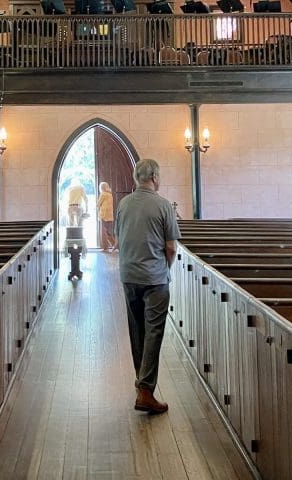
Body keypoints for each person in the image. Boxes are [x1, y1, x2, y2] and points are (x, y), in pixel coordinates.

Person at [115, 158, 180, 414]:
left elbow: (119, 238)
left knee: (137, 329)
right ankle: (145, 390)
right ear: (154, 177)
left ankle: (141, 380)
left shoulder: (123, 204)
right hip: (155, 278)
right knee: (154, 331)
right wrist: (165, 269)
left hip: (128, 274)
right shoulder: (163, 205)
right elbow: (171, 247)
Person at [97, 181, 115, 252]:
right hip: (110, 216)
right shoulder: (110, 194)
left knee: (103, 232)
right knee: (108, 232)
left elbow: (98, 204)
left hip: (103, 215)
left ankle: (105, 248)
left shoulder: (103, 194)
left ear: (101, 188)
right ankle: (115, 245)